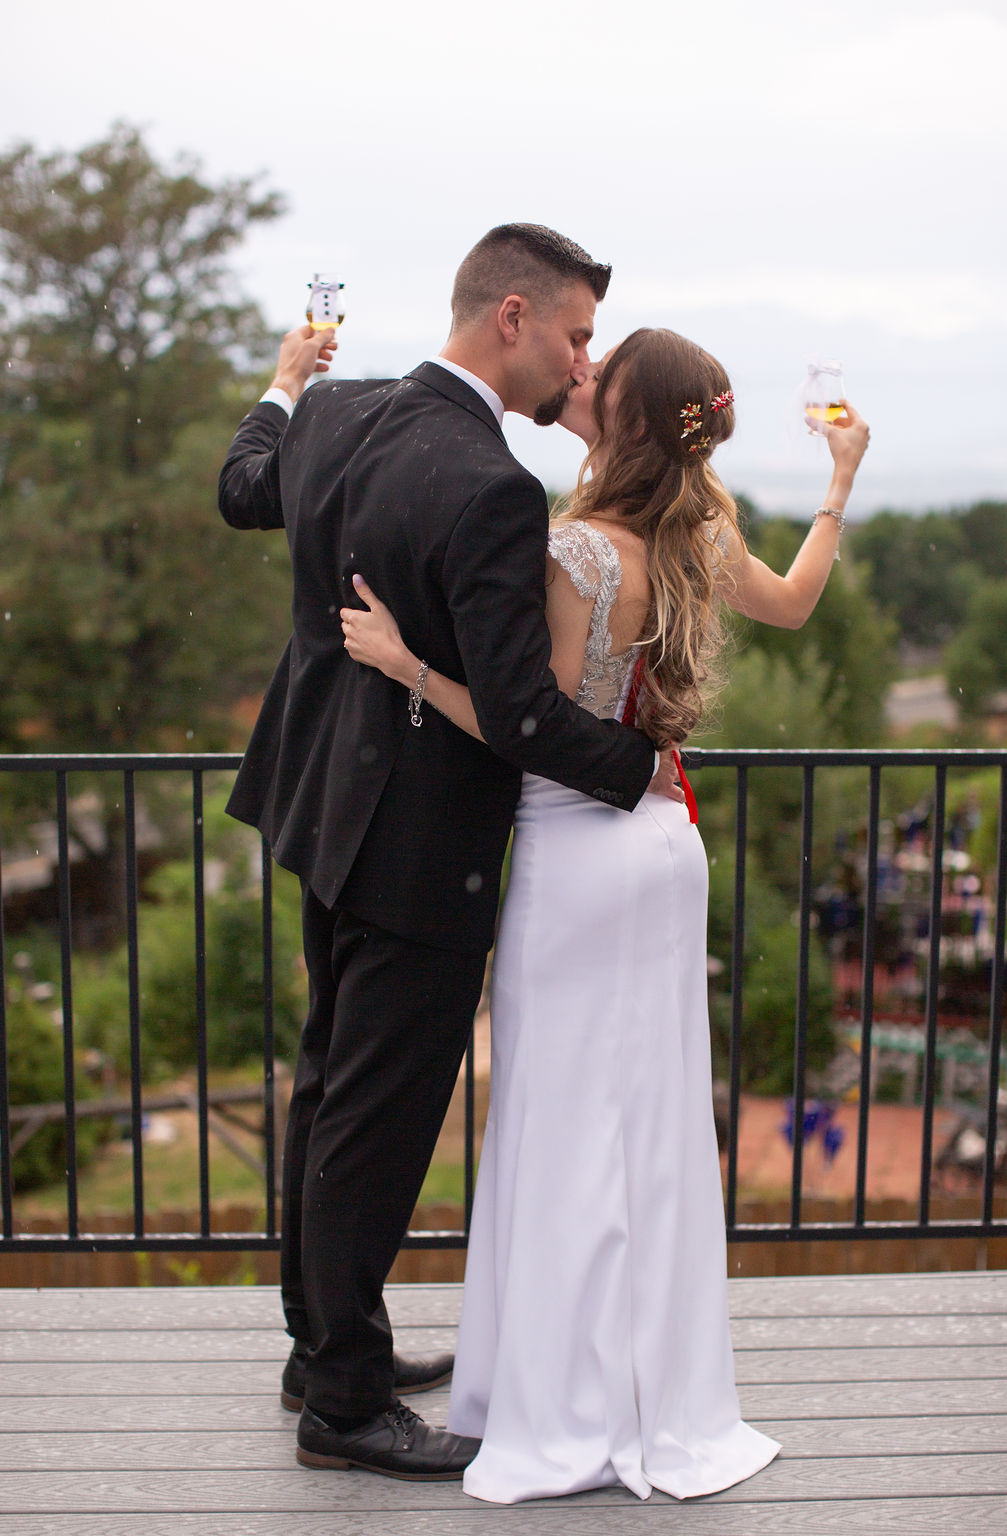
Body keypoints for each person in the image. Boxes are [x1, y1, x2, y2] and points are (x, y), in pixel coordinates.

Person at [339, 327, 870, 1502]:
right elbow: (788, 606)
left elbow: (526, 723)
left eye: (595, 384)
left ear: (622, 421)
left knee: (562, 1127)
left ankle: (563, 1400)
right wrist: (837, 486)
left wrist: (400, 663)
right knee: (655, 1131)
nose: (576, 384)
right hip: (667, 849)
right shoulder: (698, 528)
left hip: (578, 862)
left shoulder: (575, 548)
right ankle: (657, 1393)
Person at [216, 227, 685, 1482]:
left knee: (327, 1089)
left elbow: (241, 484)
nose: (580, 366)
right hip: (419, 846)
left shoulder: (335, 412)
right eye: (577, 336)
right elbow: (526, 711)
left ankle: (323, 1348)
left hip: (315, 809)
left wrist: (278, 381)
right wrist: (643, 773)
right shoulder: (490, 487)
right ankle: (346, 1409)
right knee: (372, 1121)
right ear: (515, 317)